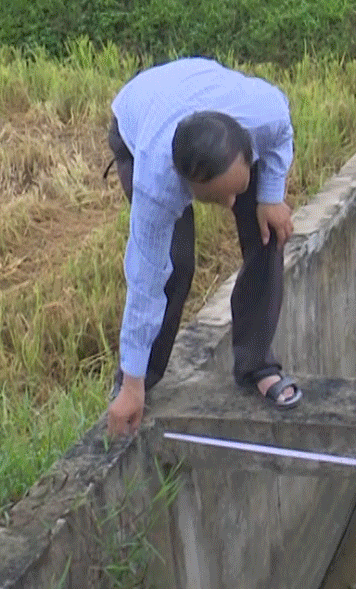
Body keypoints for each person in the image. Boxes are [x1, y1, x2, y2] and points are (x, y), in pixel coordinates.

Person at [104, 57, 302, 438]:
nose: (230, 206)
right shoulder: (157, 182)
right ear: (184, 183)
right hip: (138, 119)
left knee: (267, 233)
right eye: (216, 199)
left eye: (236, 192)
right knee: (174, 265)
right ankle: (141, 382)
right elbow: (145, 281)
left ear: (249, 150)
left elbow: (282, 135)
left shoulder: (264, 114)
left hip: (200, 95)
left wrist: (270, 196)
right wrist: (131, 383)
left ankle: (257, 365)